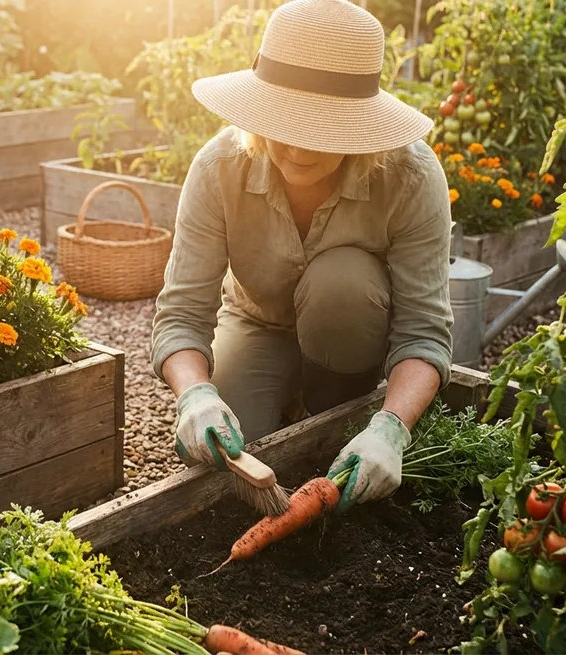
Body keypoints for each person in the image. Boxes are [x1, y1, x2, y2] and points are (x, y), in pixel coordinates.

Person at [151, 0, 454, 513]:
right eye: (283, 121)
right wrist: (194, 396)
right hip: (256, 321)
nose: (295, 147)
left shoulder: (411, 177)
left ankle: (331, 409)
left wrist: (392, 426)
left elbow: (424, 331)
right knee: (228, 450)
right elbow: (180, 314)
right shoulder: (218, 168)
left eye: (323, 130)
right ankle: (279, 399)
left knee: (343, 283)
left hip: (349, 329)